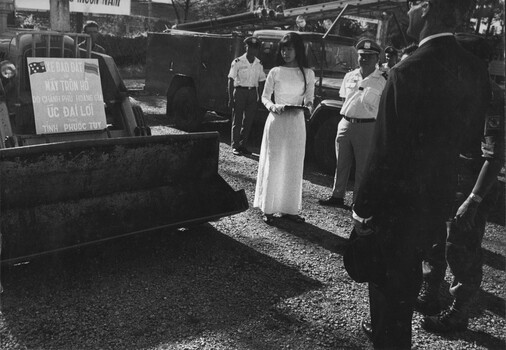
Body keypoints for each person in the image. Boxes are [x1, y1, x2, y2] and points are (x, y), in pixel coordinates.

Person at [352, 0, 490, 348]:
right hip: (436, 200)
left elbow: (383, 151)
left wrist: (362, 208)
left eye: (413, 4)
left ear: (426, 9)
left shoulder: (407, 70)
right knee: (410, 276)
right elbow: (472, 141)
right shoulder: (473, 68)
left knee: (388, 294)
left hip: (396, 205)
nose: (409, 11)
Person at [417, 33, 504, 333]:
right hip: (445, 176)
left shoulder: (493, 97)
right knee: (434, 240)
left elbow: (494, 157)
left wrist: (474, 199)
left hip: (471, 182)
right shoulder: (456, 89)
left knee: (461, 247)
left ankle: (458, 312)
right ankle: (430, 293)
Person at [253, 32, 315, 225]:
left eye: (289, 48)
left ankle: (289, 209)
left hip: (296, 123)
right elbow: (264, 97)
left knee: (293, 164)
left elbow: (310, 99)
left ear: (298, 50)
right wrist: (273, 106)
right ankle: (268, 208)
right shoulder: (275, 71)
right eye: (283, 49)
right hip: (277, 120)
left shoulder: (308, 73)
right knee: (274, 161)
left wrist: (308, 108)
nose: (285, 52)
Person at [319, 39, 387, 208]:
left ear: (377, 58)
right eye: (361, 56)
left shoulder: (383, 79)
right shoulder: (350, 76)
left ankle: (358, 201)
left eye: (369, 56)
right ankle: (337, 195)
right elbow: (344, 98)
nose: (364, 59)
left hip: (367, 126)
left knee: (363, 166)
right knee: (341, 162)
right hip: (345, 123)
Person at [227, 36, 266, 156]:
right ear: (246, 47)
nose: (252, 50)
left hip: (252, 93)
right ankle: (235, 146)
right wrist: (230, 98)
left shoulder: (258, 64)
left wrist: (260, 97)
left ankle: (243, 146)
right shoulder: (238, 61)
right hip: (240, 92)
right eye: (250, 47)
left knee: (248, 121)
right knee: (237, 120)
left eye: (255, 48)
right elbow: (230, 80)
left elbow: (261, 81)